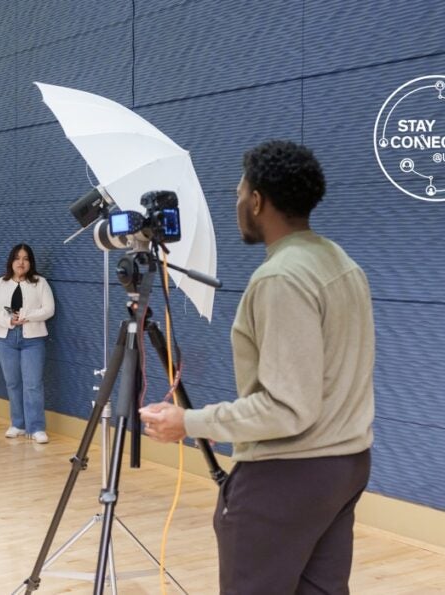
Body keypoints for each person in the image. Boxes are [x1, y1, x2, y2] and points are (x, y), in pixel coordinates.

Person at [140, 140, 375, 595]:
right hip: (345, 465)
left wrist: (188, 421)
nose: (237, 203)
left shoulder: (281, 278)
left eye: (238, 193)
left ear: (258, 200)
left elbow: (288, 408)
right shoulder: (342, 264)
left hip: (287, 474)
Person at [0, 244, 55, 444]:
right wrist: (8, 321)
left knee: (33, 384)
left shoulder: (40, 283)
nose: (21, 262)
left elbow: (49, 309)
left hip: (32, 339)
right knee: (13, 382)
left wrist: (26, 316)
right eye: (17, 258)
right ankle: (18, 423)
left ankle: (37, 427)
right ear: (11, 261)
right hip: (5, 339)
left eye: (25, 258)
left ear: (30, 262)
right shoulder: (1, 282)